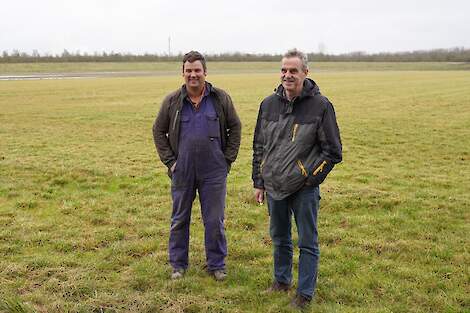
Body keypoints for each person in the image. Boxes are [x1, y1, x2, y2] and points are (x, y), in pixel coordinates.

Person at [252, 49, 342, 308]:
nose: (287, 75)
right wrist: (259, 181)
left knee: (307, 242)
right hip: (274, 185)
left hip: (303, 189)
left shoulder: (321, 106)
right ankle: (281, 281)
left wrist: (310, 179)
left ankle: (304, 294)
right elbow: (259, 145)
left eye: (293, 70)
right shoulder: (268, 104)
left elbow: (333, 152)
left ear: (305, 73)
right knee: (279, 238)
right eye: (284, 70)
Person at [153, 51, 241, 281]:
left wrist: (227, 160)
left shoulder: (221, 99)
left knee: (214, 220)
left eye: (197, 70)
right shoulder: (172, 101)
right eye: (189, 71)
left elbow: (235, 127)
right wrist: (171, 163)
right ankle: (178, 265)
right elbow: (158, 131)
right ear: (183, 73)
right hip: (182, 171)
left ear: (205, 72)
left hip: (214, 171)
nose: (193, 75)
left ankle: (217, 265)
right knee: (179, 219)